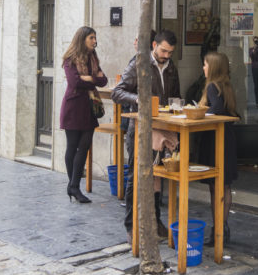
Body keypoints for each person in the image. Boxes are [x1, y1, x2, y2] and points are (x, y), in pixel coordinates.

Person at [113, 29, 181, 241]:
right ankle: (131, 225)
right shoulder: (139, 63)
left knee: (158, 177)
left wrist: (177, 108)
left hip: (163, 129)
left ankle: (155, 220)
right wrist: (139, 98)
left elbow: (175, 96)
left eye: (170, 52)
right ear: (154, 45)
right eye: (163, 51)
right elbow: (118, 92)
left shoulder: (171, 68)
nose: (166, 55)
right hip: (141, 129)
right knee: (136, 176)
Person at [60, 26, 108, 204]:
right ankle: (74, 186)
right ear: (82, 39)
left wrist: (89, 78)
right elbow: (74, 82)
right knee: (72, 147)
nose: (95, 41)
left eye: (95, 38)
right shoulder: (70, 59)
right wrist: (91, 79)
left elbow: (103, 80)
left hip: (89, 108)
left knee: (84, 146)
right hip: (73, 107)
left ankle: (73, 186)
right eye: (91, 38)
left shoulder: (93, 58)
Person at [198, 52, 239, 246]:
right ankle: (223, 227)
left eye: (205, 65)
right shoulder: (226, 85)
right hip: (228, 139)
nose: (203, 68)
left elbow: (216, 110)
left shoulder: (212, 87)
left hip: (216, 140)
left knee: (216, 186)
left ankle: (218, 230)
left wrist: (200, 112)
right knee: (225, 185)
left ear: (212, 67)